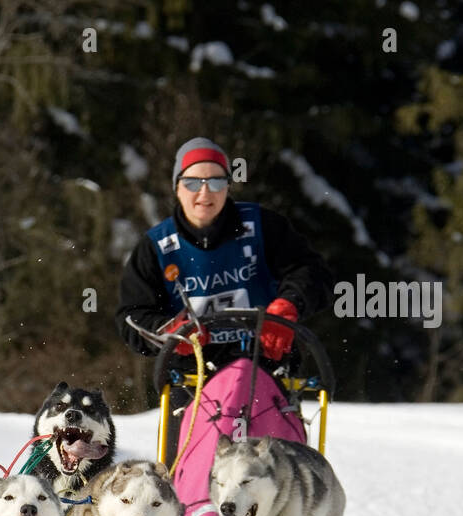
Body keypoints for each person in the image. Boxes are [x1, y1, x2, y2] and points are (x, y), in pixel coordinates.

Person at [116, 137, 333, 368]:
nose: (205, 192)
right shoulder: (156, 247)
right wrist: (170, 332)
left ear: (228, 186)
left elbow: (313, 273)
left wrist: (288, 305)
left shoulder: (263, 227)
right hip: (192, 378)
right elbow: (132, 316)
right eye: (192, 183)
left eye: (216, 182)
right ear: (177, 188)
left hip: (265, 364)